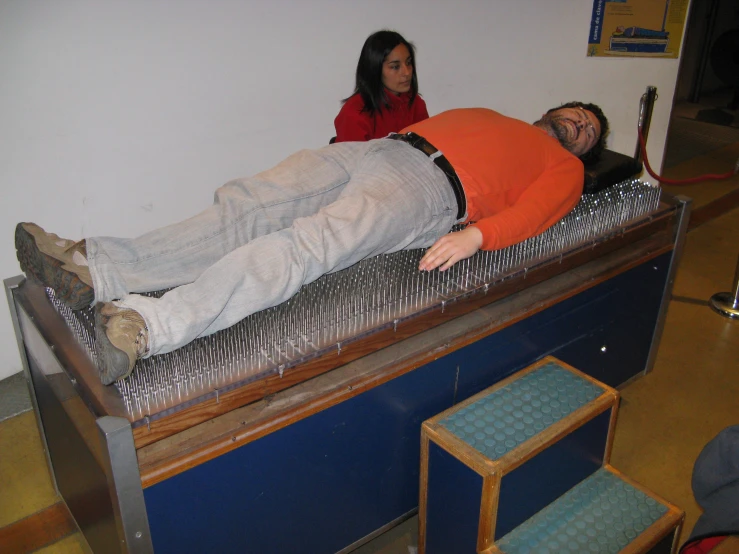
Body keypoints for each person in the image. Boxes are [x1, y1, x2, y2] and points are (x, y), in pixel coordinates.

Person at [16, 102, 608, 385]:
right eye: (576, 113)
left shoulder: (563, 167)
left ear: (583, 151)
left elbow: (539, 212)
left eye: (588, 132)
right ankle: (96, 267)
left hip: (431, 189)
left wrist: (480, 235)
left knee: (306, 246)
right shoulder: (495, 114)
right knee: (246, 205)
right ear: (553, 106)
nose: (577, 126)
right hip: (383, 149)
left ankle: (149, 325)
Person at [333, 30, 429, 142]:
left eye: (408, 63)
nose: (407, 72)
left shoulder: (416, 103)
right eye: (395, 67)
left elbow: (428, 150)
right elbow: (351, 159)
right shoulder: (354, 114)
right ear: (374, 70)